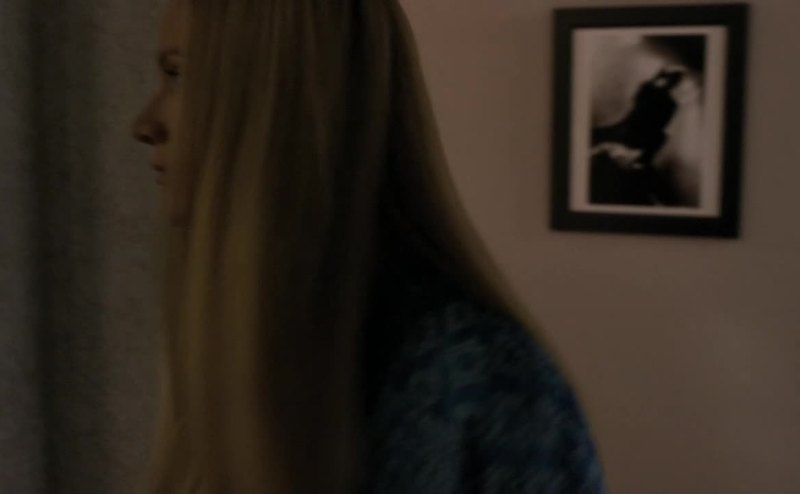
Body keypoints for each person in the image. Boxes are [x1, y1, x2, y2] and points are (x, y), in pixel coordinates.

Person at [132, 1, 606, 492]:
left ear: (283, 105)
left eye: (179, 76)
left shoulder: (477, 377)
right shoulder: (256, 345)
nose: (144, 124)